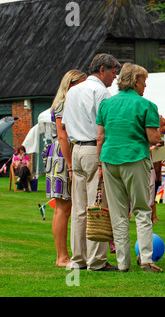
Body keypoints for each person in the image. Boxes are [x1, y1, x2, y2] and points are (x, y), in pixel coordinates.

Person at [97, 62, 165, 273]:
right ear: (136, 81)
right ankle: (146, 259)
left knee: (118, 214)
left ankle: (122, 263)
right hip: (135, 158)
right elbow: (153, 137)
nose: (145, 85)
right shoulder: (147, 105)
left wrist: (100, 164)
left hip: (109, 159)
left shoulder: (106, 105)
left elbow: (100, 137)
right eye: (144, 81)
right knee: (142, 210)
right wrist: (162, 131)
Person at [62, 53, 121, 271]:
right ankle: (96, 260)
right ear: (103, 69)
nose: (114, 78)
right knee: (97, 206)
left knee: (78, 208)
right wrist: (101, 160)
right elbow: (104, 129)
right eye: (113, 73)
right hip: (92, 150)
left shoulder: (73, 91)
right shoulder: (101, 92)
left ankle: (78, 259)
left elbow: (65, 126)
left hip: (76, 148)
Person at [46, 69, 87, 267]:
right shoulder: (64, 104)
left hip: (63, 154)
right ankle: (62, 256)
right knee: (63, 207)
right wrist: (70, 164)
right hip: (63, 155)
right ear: (71, 85)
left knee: (66, 207)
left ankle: (66, 254)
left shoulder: (64, 103)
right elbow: (63, 135)